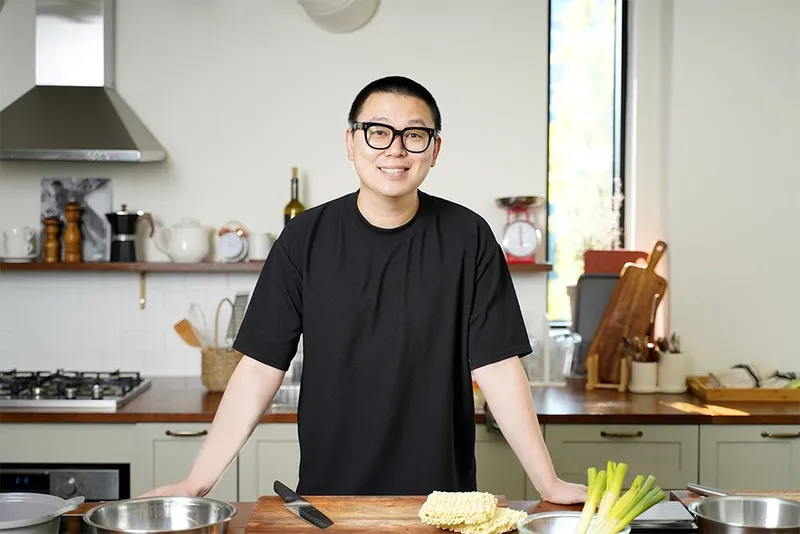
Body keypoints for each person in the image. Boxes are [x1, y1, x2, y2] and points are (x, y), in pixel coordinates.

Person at [143, 76, 587, 505]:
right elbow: (259, 367)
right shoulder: (304, 239)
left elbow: (499, 368)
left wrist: (547, 483)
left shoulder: (469, 237)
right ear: (351, 142)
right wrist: (198, 480)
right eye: (379, 132)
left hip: (441, 500)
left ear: (435, 149)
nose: (395, 149)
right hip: (328, 501)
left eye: (414, 135)